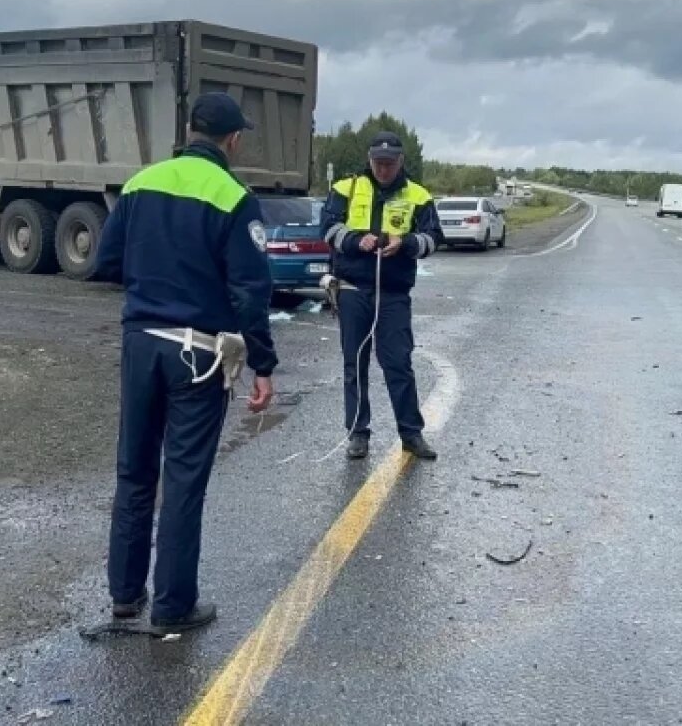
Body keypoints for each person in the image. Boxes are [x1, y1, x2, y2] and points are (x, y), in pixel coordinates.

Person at [92, 92, 277, 633]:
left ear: (190, 130)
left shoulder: (140, 183)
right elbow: (249, 291)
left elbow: (105, 263)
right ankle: (173, 607)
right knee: (184, 479)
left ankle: (124, 598)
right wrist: (263, 364)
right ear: (233, 139)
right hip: (197, 352)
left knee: (134, 472)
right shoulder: (234, 196)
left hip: (141, 341)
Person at [320, 131, 445, 461]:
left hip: (393, 293)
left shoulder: (418, 195)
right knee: (354, 364)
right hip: (353, 290)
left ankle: (411, 433)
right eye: (378, 163)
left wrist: (405, 244)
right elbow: (328, 227)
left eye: (390, 164)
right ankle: (358, 434)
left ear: (400, 161)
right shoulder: (345, 188)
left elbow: (433, 238)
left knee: (398, 363)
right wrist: (354, 240)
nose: (384, 170)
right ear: (370, 159)